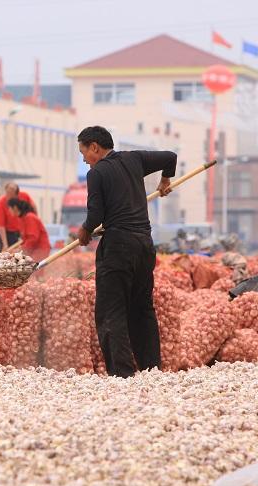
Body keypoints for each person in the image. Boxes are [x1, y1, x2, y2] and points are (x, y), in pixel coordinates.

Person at [76, 125, 176, 378]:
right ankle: (152, 368)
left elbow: (95, 214)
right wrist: (165, 180)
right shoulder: (134, 159)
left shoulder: (97, 173)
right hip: (144, 245)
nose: (84, 159)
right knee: (142, 308)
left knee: (111, 310)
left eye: (84, 152)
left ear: (95, 148)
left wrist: (85, 231)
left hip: (118, 246)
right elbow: (170, 157)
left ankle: (122, 374)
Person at [0, 182, 36, 250]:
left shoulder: (25, 198)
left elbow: (33, 206)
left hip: (25, 232)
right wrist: (5, 244)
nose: (9, 196)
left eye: (11, 194)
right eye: (7, 193)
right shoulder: (1, 203)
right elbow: (1, 225)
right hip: (10, 234)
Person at [8, 198, 51, 262]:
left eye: (9, 208)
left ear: (15, 208)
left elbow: (33, 238)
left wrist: (21, 249)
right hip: (34, 249)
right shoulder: (23, 218)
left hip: (40, 249)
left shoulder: (30, 217)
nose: (9, 210)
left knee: (36, 271)